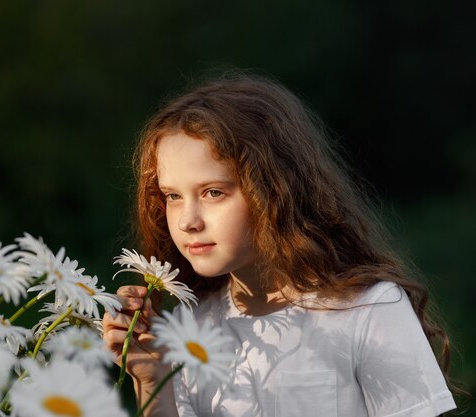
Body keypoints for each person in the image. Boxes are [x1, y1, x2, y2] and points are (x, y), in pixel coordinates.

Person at [102, 73, 458, 417]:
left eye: (213, 192)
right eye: (172, 196)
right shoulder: (188, 325)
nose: (187, 221)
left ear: (274, 191)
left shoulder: (368, 310)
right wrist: (151, 384)